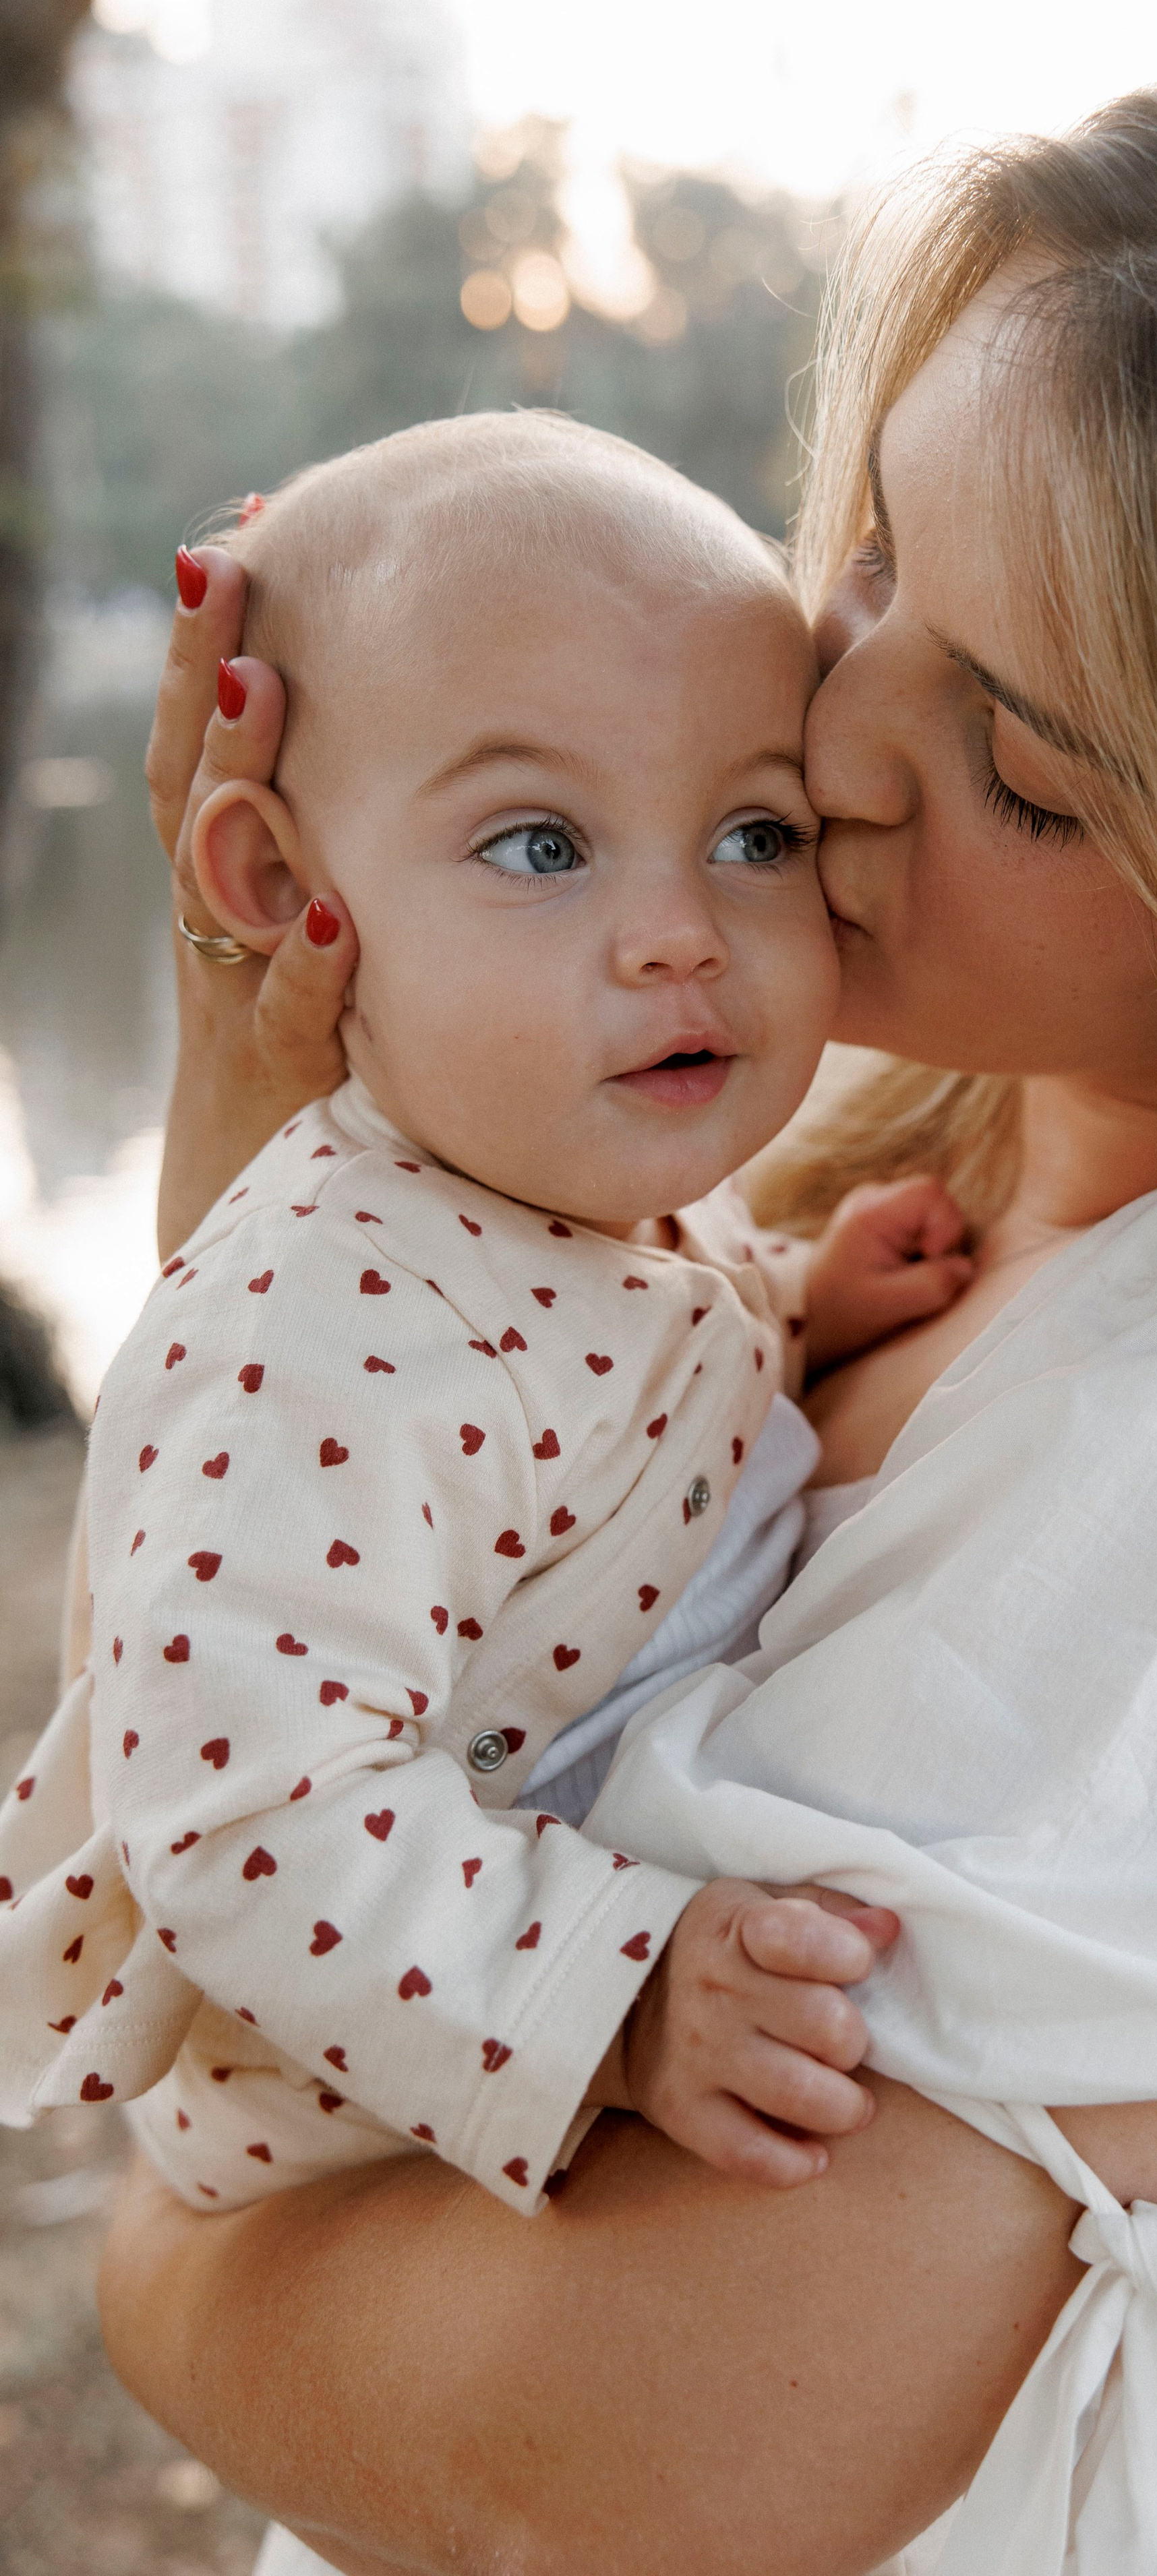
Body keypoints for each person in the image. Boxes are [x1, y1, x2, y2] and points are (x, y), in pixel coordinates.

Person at [92, 29, 1157, 2576]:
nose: (835, 733)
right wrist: (293, 1131)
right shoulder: (864, 1172)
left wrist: (182, 2261)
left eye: (1028, 770)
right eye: (871, 560)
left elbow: (620, 2451)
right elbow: (296, 1652)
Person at [0, 411, 978, 2225]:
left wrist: (788, 1305)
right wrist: (607, 1998)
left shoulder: (554, 1165)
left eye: (756, 830)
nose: (679, 933)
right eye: (541, 846)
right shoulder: (303, 1329)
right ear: (285, 893)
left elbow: (589, 1366)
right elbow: (242, 1811)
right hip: (373, 2104)